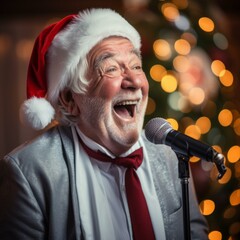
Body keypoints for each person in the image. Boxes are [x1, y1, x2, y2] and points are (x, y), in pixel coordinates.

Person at [0, 8, 208, 240]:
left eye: (136, 66)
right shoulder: (29, 173)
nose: (135, 81)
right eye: (111, 68)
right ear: (70, 101)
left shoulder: (170, 153)